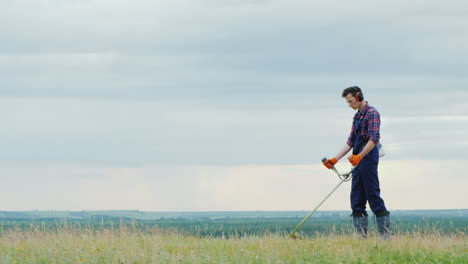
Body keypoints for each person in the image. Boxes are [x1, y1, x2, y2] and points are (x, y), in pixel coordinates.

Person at [323, 86, 391, 240]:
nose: (349, 105)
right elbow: (350, 141)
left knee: (373, 195)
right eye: (347, 102)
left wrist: (360, 156)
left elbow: (374, 139)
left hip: (367, 159)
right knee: (356, 198)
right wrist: (335, 159)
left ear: (359, 96)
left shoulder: (372, 113)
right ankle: (360, 235)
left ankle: (385, 235)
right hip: (357, 161)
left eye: (351, 101)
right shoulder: (357, 116)